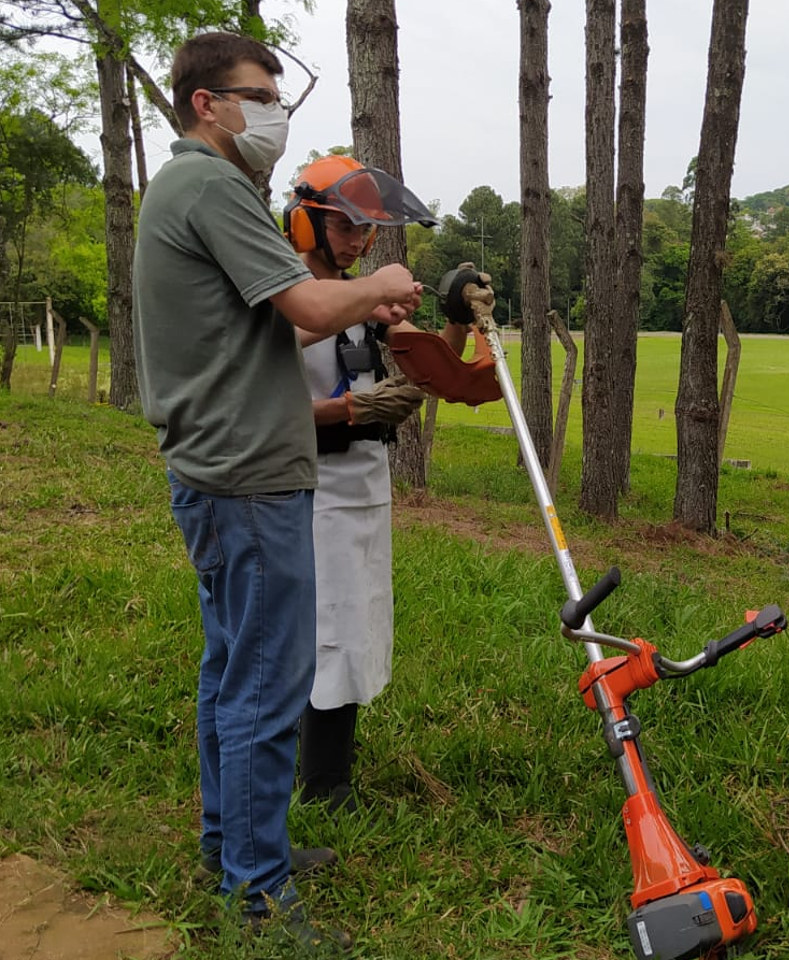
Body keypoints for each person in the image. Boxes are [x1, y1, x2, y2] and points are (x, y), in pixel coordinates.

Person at [132, 31, 421, 946]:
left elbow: (261, 330)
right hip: (250, 474)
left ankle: (235, 846)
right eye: (257, 96)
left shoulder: (187, 188)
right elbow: (301, 306)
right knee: (266, 682)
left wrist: (359, 305)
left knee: (231, 669)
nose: (272, 113)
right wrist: (380, 280)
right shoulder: (214, 185)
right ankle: (258, 896)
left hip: (217, 468)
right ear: (204, 104)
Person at [282, 155, 466, 811]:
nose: (357, 242)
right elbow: (258, 406)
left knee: (357, 625)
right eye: (344, 226)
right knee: (324, 630)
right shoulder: (279, 301)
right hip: (308, 486)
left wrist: (457, 315)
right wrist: (351, 411)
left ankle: (334, 778)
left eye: (364, 231)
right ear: (305, 222)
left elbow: (442, 377)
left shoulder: (366, 304)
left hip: (365, 484)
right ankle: (319, 788)